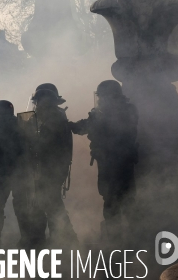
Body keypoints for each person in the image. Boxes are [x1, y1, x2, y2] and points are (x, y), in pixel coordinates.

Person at [70, 80, 138, 244]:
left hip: (111, 163)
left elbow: (83, 128)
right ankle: (135, 237)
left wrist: (69, 125)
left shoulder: (105, 114)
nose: (100, 100)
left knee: (112, 201)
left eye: (102, 96)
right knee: (127, 200)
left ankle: (115, 239)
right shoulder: (128, 110)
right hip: (124, 163)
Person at [28, 88, 78, 247]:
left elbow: (43, 144)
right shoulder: (54, 116)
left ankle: (65, 239)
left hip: (50, 169)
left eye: (38, 102)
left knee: (52, 204)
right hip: (49, 168)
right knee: (49, 203)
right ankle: (60, 239)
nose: (36, 105)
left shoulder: (53, 119)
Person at [0, 100, 32, 247]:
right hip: (19, 171)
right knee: (20, 205)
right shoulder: (20, 123)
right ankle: (27, 239)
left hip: (7, 172)